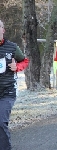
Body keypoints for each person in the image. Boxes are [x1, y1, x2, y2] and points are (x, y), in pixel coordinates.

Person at [0, 20, 29, 150]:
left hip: (7, 92)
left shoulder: (12, 47)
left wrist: (16, 66)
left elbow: (24, 61)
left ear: (3, 30)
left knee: (1, 122)